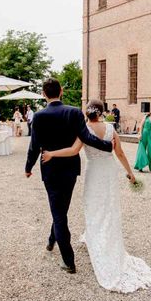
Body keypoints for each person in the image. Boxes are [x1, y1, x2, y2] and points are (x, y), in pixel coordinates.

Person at [41, 99, 151, 293]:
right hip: (108, 170)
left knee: (93, 207)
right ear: (103, 111)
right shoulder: (110, 129)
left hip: (94, 172)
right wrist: (130, 173)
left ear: (87, 112)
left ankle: (95, 238)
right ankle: (103, 238)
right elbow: (119, 153)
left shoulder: (84, 129)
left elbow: (73, 151)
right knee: (109, 207)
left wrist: (52, 154)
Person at [24, 78, 113, 274]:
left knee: (58, 212)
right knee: (60, 209)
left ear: (43, 93)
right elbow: (86, 137)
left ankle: (68, 260)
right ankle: (51, 240)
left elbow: (34, 146)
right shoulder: (73, 112)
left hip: (49, 168)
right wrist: (108, 146)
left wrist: (28, 167)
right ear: (61, 91)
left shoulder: (39, 116)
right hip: (70, 169)